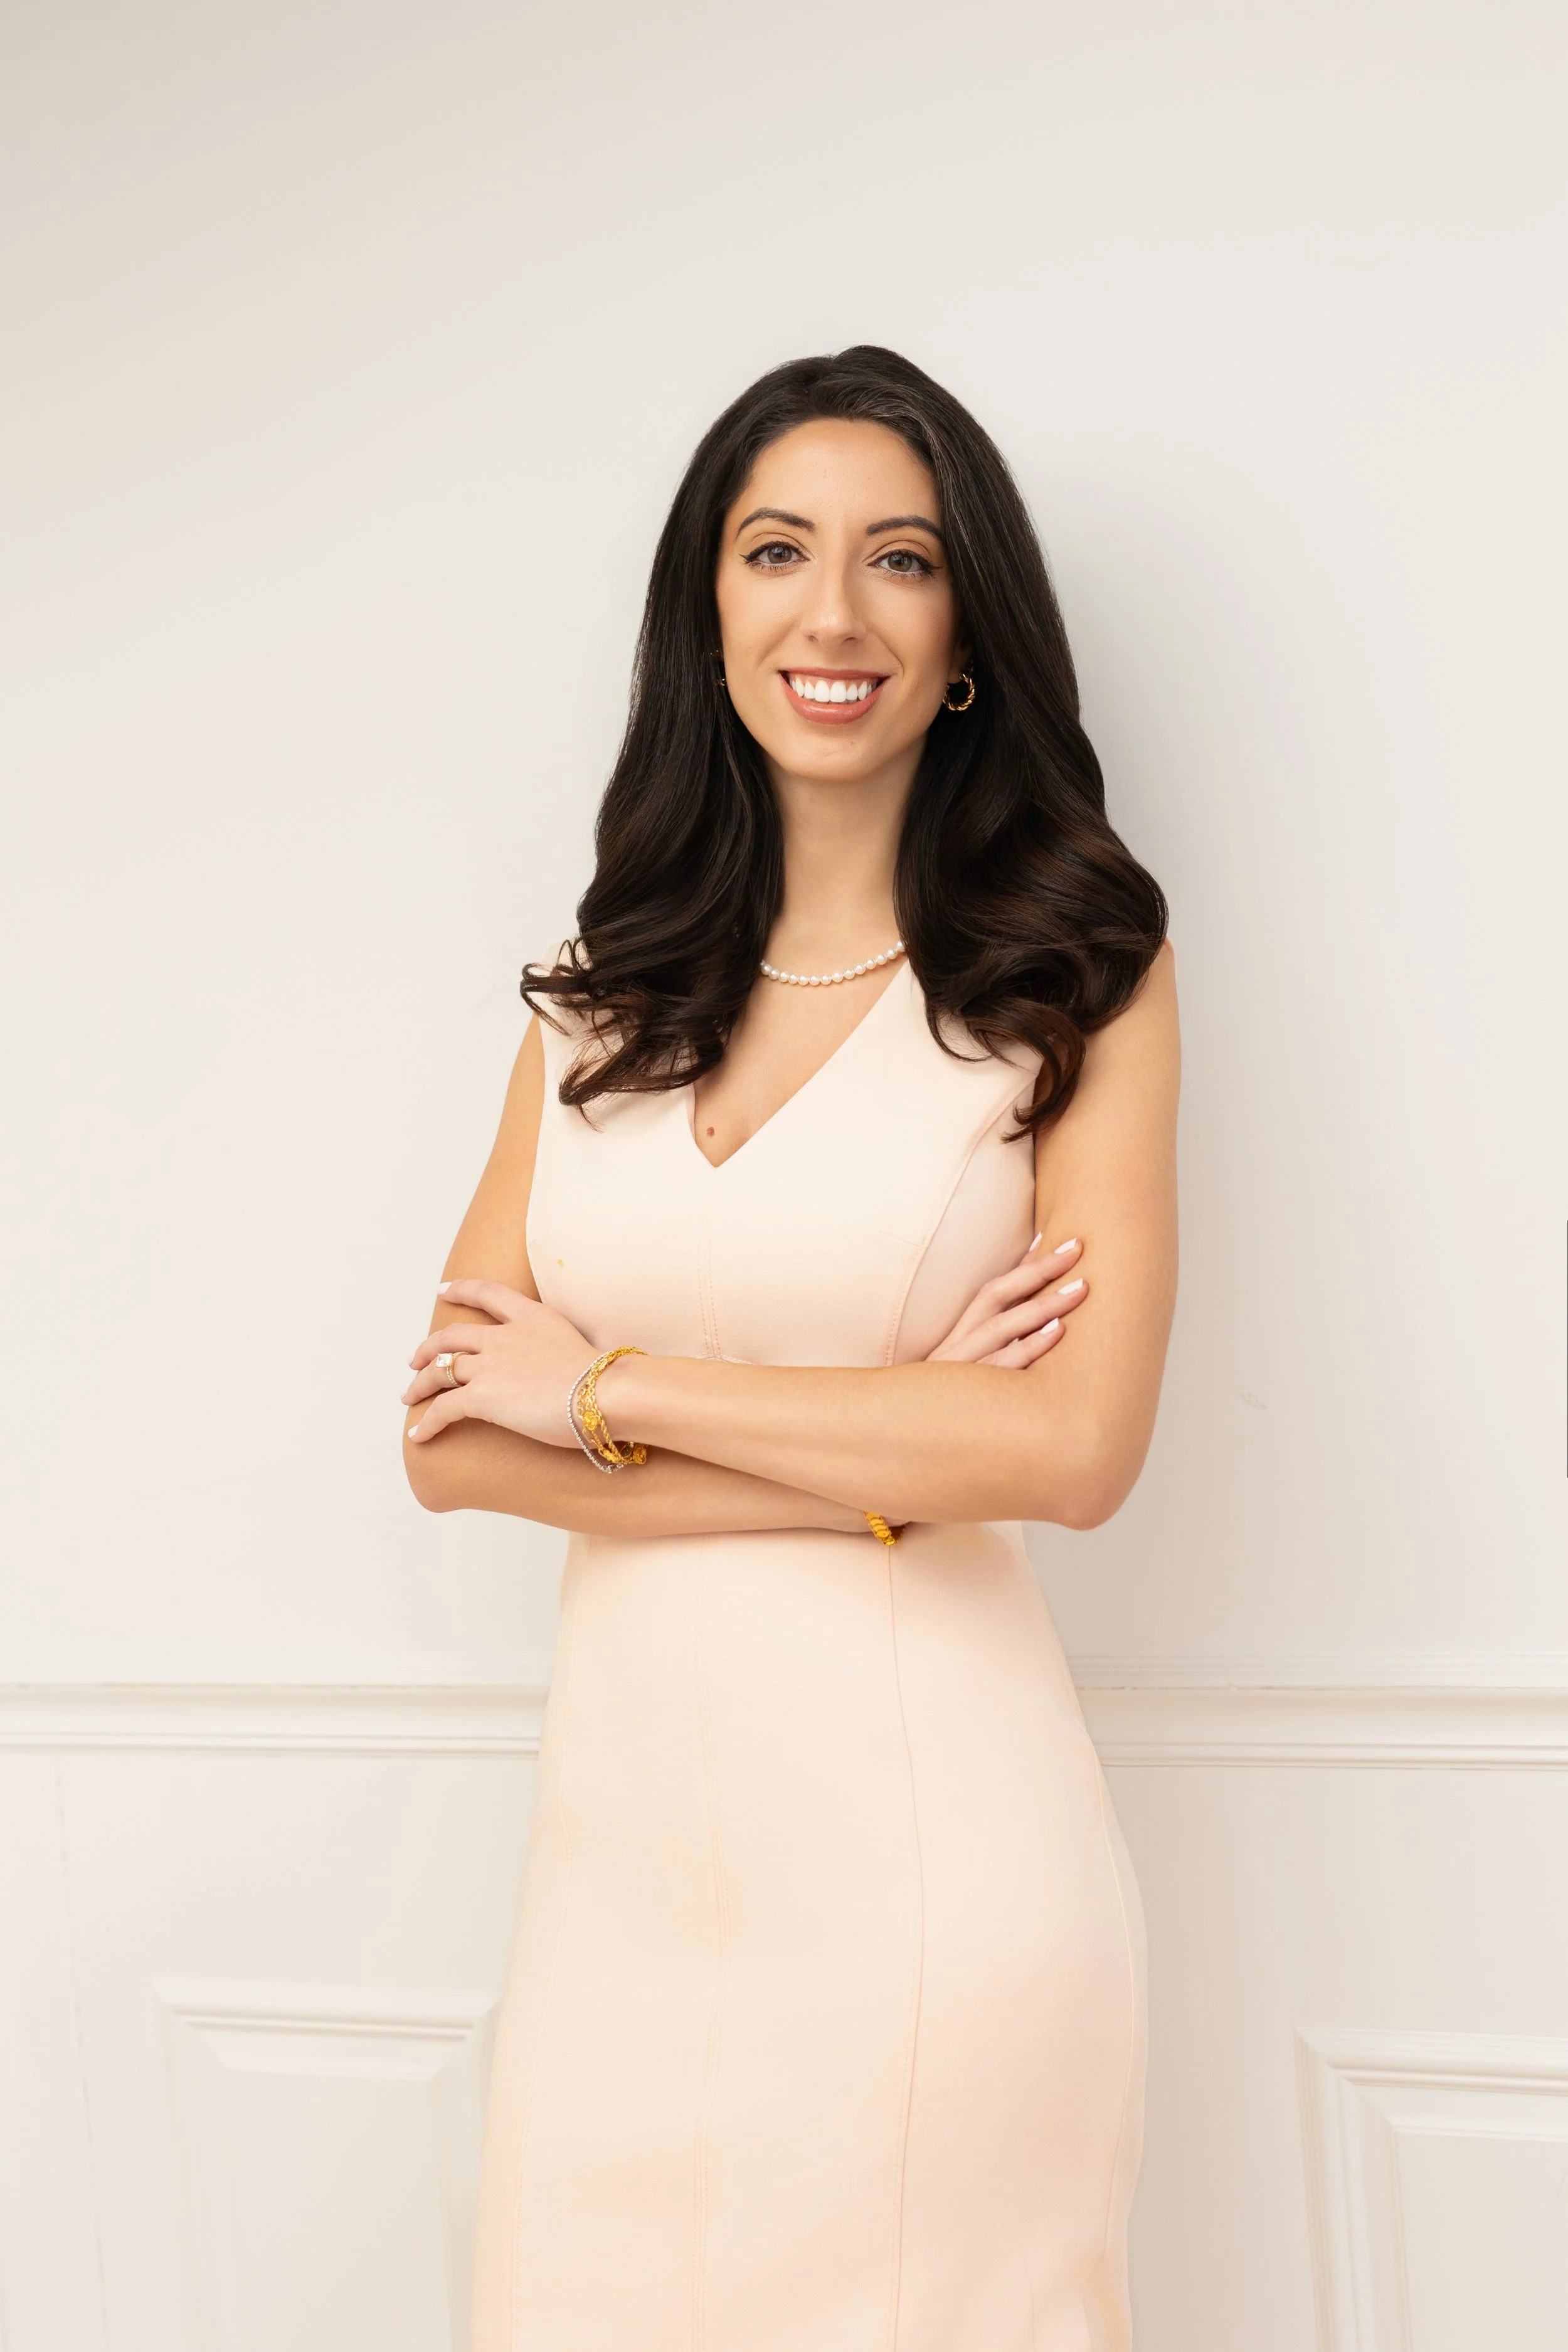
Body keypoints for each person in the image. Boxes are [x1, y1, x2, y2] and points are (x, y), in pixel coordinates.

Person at [401, 346, 1178, 2352]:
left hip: (934, 1852)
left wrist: (610, 1383)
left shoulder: (1072, 976)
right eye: (776, 553)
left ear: (966, 635)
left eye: (898, 561)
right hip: (623, 1865)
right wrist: (897, 1461)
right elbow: (447, 1443)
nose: (832, 614)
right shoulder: (593, 1009)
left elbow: (1074, 1451)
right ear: (710, 617)